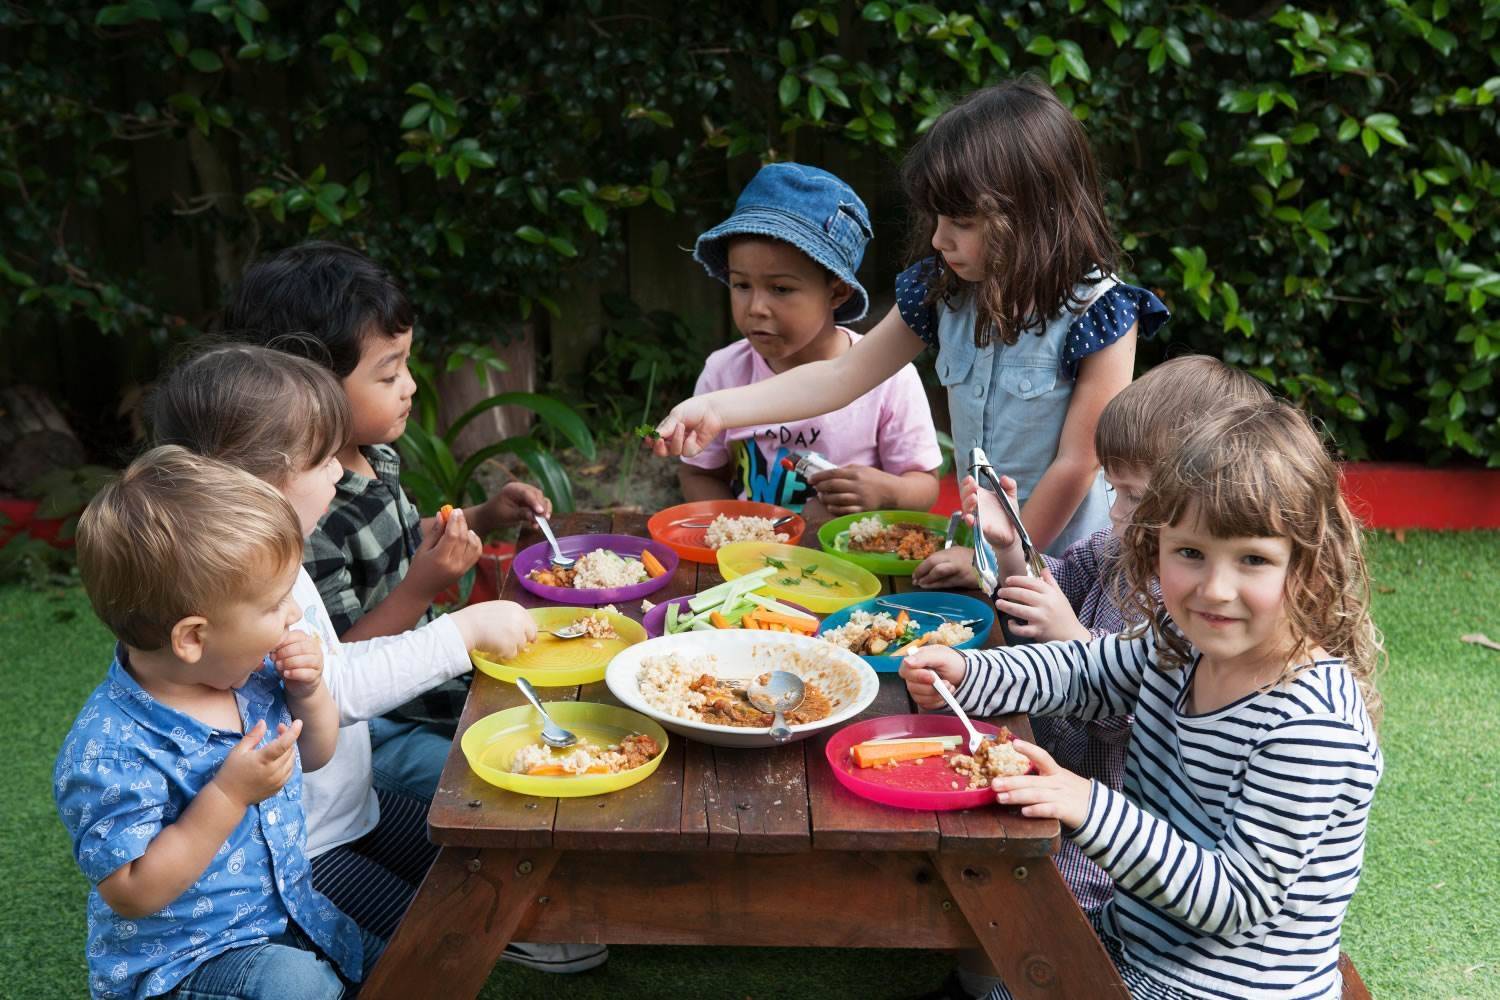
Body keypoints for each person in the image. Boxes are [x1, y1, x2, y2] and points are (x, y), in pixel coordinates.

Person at [901, 398, 1384, 1000]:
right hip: (1136, 946)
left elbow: (1234, 900)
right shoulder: (1181, 644)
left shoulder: (1310, 727)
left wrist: (1088, 804)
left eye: (1253, 559)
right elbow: (1082, 673)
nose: (1215, 589)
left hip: (1220, 988)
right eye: (1191, 553)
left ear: (1310, 565)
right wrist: (970, 673)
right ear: (1156, 546)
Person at [150, 343, 606, 974]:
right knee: (431, 949)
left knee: (491, 873)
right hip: (304, 851)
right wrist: (461, 633)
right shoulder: (238, 603)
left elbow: (330, 672)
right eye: (321, 461)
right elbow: (339, 685)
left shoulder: (279, 566)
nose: (340, 476)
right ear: (258, 486)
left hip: (352, 808)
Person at [650, 78, 1168, 557]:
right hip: (981, 551)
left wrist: (999, 556)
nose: (940, 239)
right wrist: (716, 408)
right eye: (937, 218)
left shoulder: (1101, 313)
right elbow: (840, 377)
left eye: (961, 222)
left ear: (1033, 215)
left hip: (1066, 564)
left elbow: (1078, 463)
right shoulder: (943, 291)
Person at [223, 241, 549, 802]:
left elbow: (397, 540)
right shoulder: (304, 518)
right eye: (389, 374)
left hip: (434, 681)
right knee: (494, 786)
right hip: (381, 727)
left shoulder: (372, 456)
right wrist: (423, 586)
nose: (411, 386)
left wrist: (483, 516)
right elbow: (338, 660)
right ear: (310, 389)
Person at [55, 447, 363, 999]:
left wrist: (309, 693)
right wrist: (227, 795)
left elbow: (316, 755)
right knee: (298, 985)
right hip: (183, 965)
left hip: (286, 919)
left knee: (398, 963)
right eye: (274, 604)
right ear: (194, 637)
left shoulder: (251, 676)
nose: (294, 614)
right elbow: (131, 890)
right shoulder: (110, 749)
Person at [679, 162, 941, 517]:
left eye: (781, 288)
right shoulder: (724, 371)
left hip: (848, 551)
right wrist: (736, 528)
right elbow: (699, 472)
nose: (756, 308)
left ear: (837, 292)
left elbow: (924, 486)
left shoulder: (888, 378)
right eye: (741, 285)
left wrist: (886, 492)